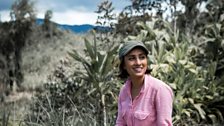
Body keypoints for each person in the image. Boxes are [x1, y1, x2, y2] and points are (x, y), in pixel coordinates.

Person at [116, 41, 173, 126]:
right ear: (124, 64)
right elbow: (120, 123)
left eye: (142, 57)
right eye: (131, 58)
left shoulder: (160, 90)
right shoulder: (124, 91)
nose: (138, 63)